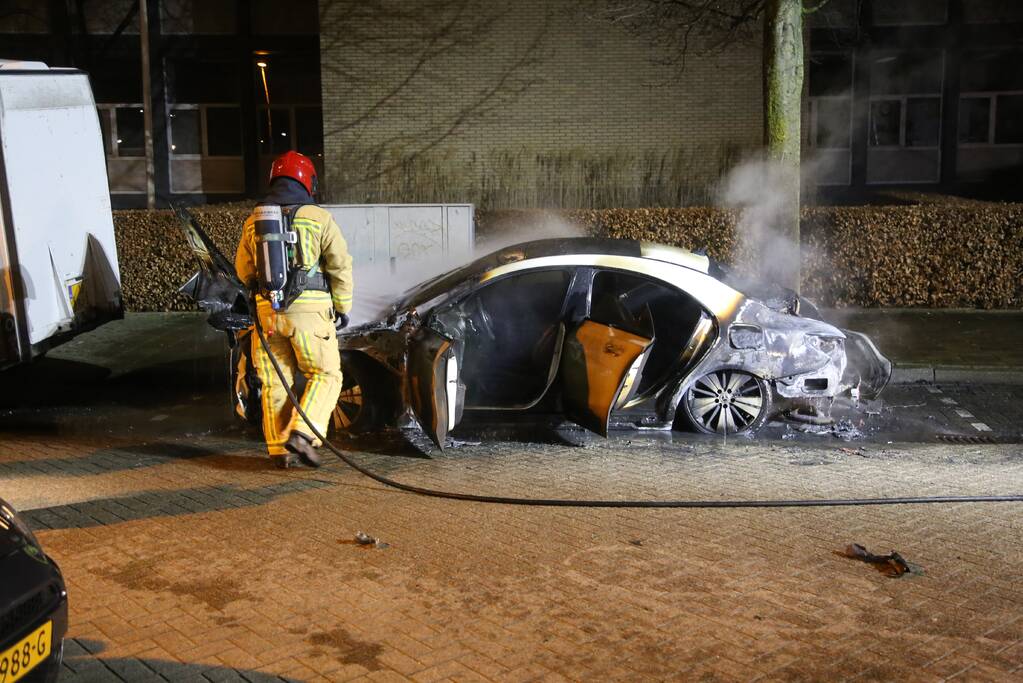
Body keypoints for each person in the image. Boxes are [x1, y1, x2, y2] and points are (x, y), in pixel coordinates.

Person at [235, 151, 354, 468]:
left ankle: (280, 452)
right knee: (325, 375)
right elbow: (340, 266)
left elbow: (244, 271)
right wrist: (342, 306)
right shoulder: (318, 218)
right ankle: (303, 433)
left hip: (267, 315)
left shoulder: (254, 220)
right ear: (307, 181)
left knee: (276, 382)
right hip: (310, 314)